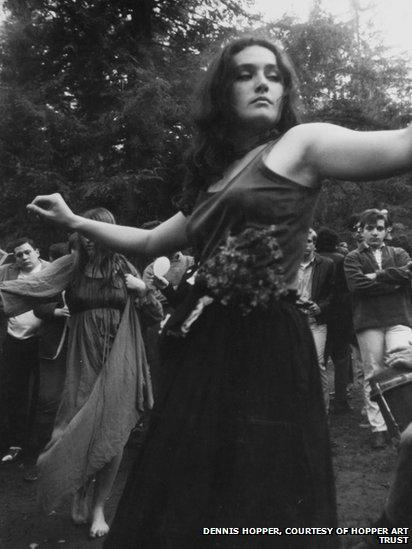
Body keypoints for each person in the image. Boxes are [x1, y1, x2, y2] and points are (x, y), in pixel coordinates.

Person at [24, 36, 412, 547]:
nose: (262, 83)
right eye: (245, 73)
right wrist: (74, 219)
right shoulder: (213, 180)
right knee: (192, 483)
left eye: (273, 75)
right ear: (221, 91)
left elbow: (405, 143)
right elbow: (148, 240)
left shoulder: (301, 144)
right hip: (204, 345)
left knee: (260, 484)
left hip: (268, 341)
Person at [0, 208, 162, 539]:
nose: (87, 239)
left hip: (121, 353)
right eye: (83, 234)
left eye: (94, 232)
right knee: (74, 426)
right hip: (82, 354)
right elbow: (33, 286)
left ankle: (99, 505)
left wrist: (142, 291)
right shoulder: (72, 266)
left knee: (114, 431)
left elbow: (155, 313)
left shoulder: (124, 268)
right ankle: (78, 488)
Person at [344, 209, 412, 449]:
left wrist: (379, 275)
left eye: (380, 228)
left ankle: (406, 422)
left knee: (403, 363)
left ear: (387, 231)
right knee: (374, 372)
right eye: (369, 228)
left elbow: (409, 274)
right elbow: (357, 285)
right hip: (369, 320)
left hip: (399, 318)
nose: (375, 233)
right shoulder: (352, 257)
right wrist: (391, 284)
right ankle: (379, 428)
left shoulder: (399, 252)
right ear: (360, 231)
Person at [0, 238, 49, 464]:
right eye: (18, 254)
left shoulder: (50, 271)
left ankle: (38, 443)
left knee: (43, 393)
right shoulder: (8, 272)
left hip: (43, 341)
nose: (24, 257)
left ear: (37, 251)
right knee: (14, 390)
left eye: (27, 252)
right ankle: (15, 442)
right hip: (13, 339)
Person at [316, 227, 353, 414]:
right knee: (341, 359)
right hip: (341, 315)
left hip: (320, 314)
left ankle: (320, 400)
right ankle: (341, 400)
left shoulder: (315, 260)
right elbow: (348, 289)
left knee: (320, 360)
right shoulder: (342, 259)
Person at [297, 228, 334, 412]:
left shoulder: (326, 264)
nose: (306, 245)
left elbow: (333, 294)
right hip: (293, 321)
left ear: (315, 243)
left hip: (315, 322)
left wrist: (321, 306)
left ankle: (323, 413)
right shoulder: (288, 265)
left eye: (310, 241)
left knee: (317, 365)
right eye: (303, 240)